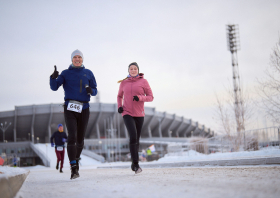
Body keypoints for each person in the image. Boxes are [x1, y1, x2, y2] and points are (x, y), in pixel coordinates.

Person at [49, 49, 97, 179]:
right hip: (70, 107)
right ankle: (73, 167)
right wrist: (53, 78)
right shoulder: (65, 73)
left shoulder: (88, 73)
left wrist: (90, 90)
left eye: (79, 57)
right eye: (75, 57)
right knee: (72, 137)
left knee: (80, 140)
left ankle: (76, 158)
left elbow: (95, 91)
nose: (77, 59)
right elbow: (54, 87)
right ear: (72, 60)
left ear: (82, 59)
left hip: (84, 108)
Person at [117, 62, 154, 174]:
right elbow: (119, 96)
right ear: (128, 71)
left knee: (136, 139)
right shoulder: (124, 83)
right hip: (127, 113)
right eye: (131, 69)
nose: (133, 70)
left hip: (139, 114)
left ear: (138, 70)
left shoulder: (144, 81)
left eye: (135, 69)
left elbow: (151, 97)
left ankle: (134, 163)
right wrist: (120, 106)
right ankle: (136, 164)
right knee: (133, 136)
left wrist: (140, 98)